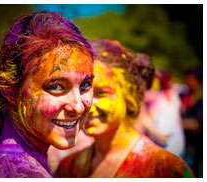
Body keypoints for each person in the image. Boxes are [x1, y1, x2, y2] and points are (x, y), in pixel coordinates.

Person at [0, 11, 94, 178]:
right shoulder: (19, 173)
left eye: (85, 85)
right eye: (55, 87)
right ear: (9, 89)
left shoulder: (6, 161)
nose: (77, 106)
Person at [56, 40, 194, 178]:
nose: (84, 104)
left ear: (129, 93)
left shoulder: (164, 168)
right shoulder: (69, 167)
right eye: (81, 91)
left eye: (100, 93)